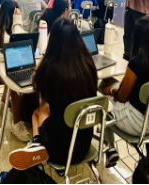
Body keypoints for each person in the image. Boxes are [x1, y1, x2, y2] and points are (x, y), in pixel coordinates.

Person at [9, 18, 98, 169]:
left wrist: (46, 52)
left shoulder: (51, 69)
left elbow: (35, 83)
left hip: (58, 149)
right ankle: (37, 144)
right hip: (83, 145)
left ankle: (37, 143)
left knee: (38, 112)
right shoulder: (88, 65)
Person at [100, 16, 149, 168]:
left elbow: (121, 97)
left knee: (102, 103)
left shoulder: (138, 62)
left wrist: (111, 91)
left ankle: (110, 148)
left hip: (135, 123)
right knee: (112, 84)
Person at [0, 0, 38, 142]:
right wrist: (17, 23)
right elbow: (17, 42)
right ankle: (16, 123)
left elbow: (24, 43)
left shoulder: (11, 29)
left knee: (15, 79)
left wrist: (17, 23)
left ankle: (1, 108)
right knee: (15, 87)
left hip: (10, 67)